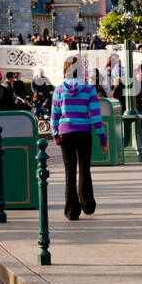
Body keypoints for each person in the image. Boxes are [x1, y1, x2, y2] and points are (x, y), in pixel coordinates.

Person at [50, 57, 107, 221]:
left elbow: (55, 116)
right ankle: (88, 205)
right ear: (81, 71)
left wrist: (55, 134)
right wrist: (103, 138)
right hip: (83, 132)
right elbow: (96, 117)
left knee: (69, 172)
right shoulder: (89, 90)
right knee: (84, 169)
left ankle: (71, 211)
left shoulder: (59, 90)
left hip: (65, 133)